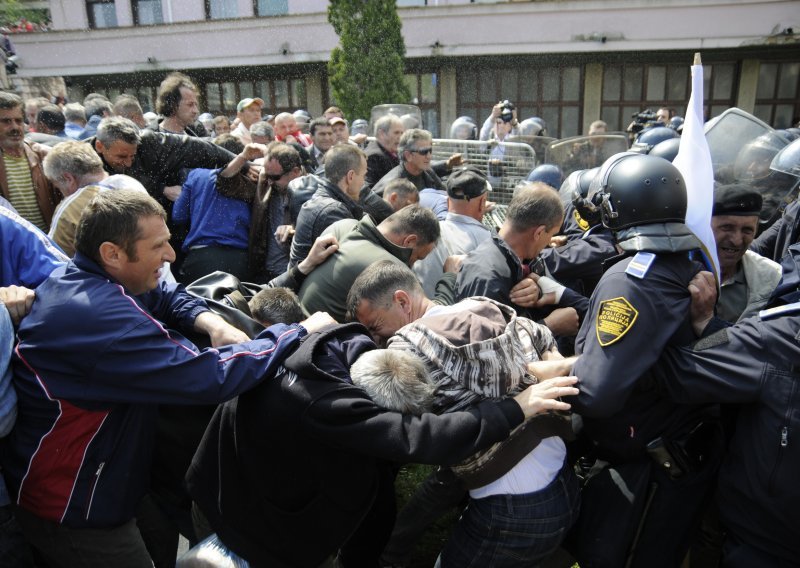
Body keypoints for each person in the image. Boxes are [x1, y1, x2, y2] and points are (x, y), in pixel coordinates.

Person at [1, 189, 334, 568]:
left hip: (108, 476)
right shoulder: (102, 320)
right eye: (158, 246)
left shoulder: (87, 279)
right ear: (112, 253)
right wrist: (297, 332)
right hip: (73, 503)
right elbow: (209, 375)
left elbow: (165, 292)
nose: (171, 256)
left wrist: (209, 321)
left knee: (160, 537)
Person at [185, 314, 578, 567]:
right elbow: (421, 439)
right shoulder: (326, 404)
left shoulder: (338, 346)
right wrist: (517, 407)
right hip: (234, 502)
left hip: (240, 467)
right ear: (368, 406)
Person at [348, 262, 579, 567]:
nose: (376, 338)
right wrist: (543, 366)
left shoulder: (406, 349)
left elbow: (405, 429)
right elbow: (539, 335)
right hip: (559, 476)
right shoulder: (483, 307)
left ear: (403, 302)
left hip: (510, 509)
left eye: (375, 326)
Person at [566, 153, 724, 567]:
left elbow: (597, 393)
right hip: (677, 456)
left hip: (645, 470)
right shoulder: (691, 263)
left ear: (615, 208)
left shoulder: (628, 279)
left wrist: (552, 374)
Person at [648, 270, 800, 567]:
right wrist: (708, 325)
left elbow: (675, 368)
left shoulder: (781, 336)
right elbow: (703, 358)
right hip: (767, 542)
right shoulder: (782, 337)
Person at [457, 182, 586, 338]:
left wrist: (538, 292)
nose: (550, 241)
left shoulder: (522, 258)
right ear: (538, 233)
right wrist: (548, 327)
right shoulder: (487, 277)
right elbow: (485, 350)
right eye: (551, 234)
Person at [298, 205, 440, 322]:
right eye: (417, 257)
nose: (413, 264)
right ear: (409, 241)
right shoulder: (392, 269)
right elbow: (429, 318)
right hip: (321, 345)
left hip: (291, 324)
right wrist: (450, 278)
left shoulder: (342, 225)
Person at [171, 135, 256, 284]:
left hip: (202, 258)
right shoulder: (250, 180)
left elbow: (178, 215)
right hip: (240, 260)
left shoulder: (196, 176)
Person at [414, 165, 492, 297]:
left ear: (448, 201)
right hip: (454, 314)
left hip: (417, 311)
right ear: (482, 203)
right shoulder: (487, 240)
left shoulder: (424, 231)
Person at [711, 183, 781, 322]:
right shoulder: (676, 269)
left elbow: (757, 339)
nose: (737, 241)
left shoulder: (772, 277)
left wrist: (705, 322)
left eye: (747, 230)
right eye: (727, 227)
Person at [289, 143, 367, 267]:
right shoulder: (333, 212)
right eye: (363, 175)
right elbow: (347, 263)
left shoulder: (323, 201)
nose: (364, 182)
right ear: (350, 176)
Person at [0, 91, 61, 232]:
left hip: (47, 242)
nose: (15, 127)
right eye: (6, 121)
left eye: (18, 120)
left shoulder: (44, 156)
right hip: (13, 245)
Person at [42, 139, 109, 256]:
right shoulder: (130, 184)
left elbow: (58, 260)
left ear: (68, 179)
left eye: (57, 186)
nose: (60, 193)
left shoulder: (70, 210)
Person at [373, 128, 444, 195]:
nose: (429, 156)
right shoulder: (393, 184)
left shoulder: (427, 172)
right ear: (408, 155)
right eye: (424, 151)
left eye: (430, 151)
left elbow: (444, 193)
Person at [364, 114, 404, 188]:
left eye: (402, 133)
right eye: (396, 133)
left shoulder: (396, 154)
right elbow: (369, 190)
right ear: (381, 134)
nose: (401, 137)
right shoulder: (374, 157)